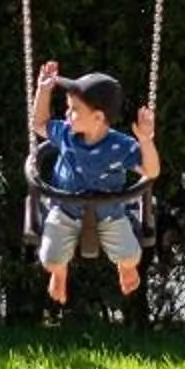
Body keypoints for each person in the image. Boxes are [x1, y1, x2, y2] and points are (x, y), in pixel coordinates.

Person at [31, 61, 161, 306]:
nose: (67, 114)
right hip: (65, 209)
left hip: (110, 212)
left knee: (131, 257)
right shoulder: (66, 134)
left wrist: (146, 140)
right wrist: (43, 90)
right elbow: (38, 125)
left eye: (74, 110)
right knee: (50, 260)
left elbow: (151, 170)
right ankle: (60, 272)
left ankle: (125, 268)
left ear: (98, 117)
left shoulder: (120, 146)